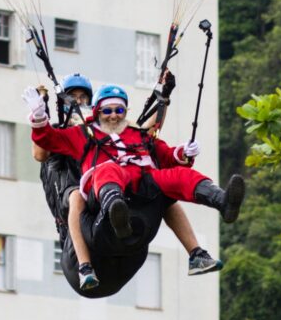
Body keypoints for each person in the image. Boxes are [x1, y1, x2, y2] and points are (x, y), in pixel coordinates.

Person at [23, 83, 245, 278]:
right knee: (110, 169)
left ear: (125, 111)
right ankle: (116, 212)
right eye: (107, 111)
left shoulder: (137, 134)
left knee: (177, 176)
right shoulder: (83, 133)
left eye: (119, 110)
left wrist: (183, 153)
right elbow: (47, 140)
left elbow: (165, 155)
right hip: (103, 186)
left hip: (142, 181)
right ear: (98, 111)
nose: (113, 116)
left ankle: (222, 201)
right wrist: (40, 117)